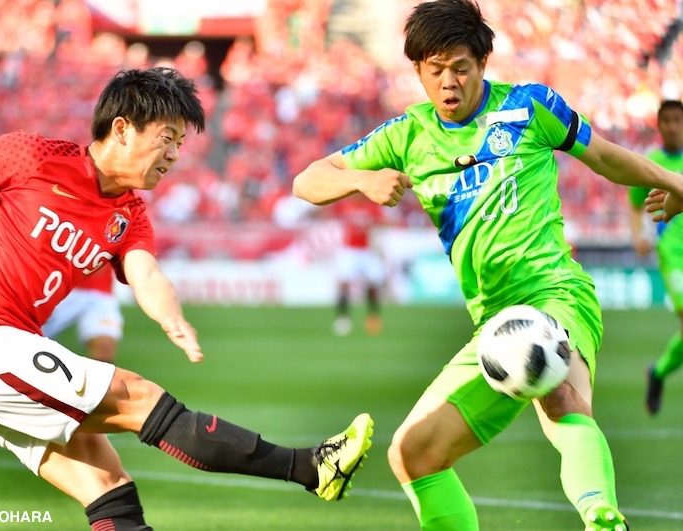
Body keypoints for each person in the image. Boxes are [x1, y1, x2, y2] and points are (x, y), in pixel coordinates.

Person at [0, 67, 373, 531]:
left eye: (180, 145)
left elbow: (145, 273)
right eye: (166, 138)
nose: (173, 156)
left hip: (3, 358)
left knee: (110, 491)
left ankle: (310, 470)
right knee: (141, 399)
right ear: (122, 129)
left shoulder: (129, 214)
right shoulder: (33, 156)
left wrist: (172, 317)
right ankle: (310, 468)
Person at [293, 1, 683, 529]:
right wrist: (358, 179)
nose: (448, 82)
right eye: (436, 71)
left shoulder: (529, 107)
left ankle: (601, 516)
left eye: (460, 67)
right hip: (493, 321)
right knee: (412, 455)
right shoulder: (407, 136)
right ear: (418, 72)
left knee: (558, 387)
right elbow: (308, 180)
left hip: (556, 291)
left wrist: (675, 182)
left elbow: (606, 155)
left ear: (483, 63)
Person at [627, 100, 683, 416]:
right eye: (668, 121)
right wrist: (639, 235)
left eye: (678, 120)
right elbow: (635, 203)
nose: (673, 126)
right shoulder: (652, 164)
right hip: (674, 253)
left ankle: (658, 372)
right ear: (659, 125)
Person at [330, 193, 387, 337]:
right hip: (349, 250)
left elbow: (381, 221)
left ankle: (373, 317)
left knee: (373, 284)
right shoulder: (344, 205)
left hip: (366, 250)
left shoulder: (371, 206)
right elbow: (329, 212)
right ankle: (343, 318)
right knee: (343, 284)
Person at [43, 264, 123, 363]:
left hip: (101, 293)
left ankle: (96, 378)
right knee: (32, 339)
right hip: (59, 288)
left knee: (104, 347)